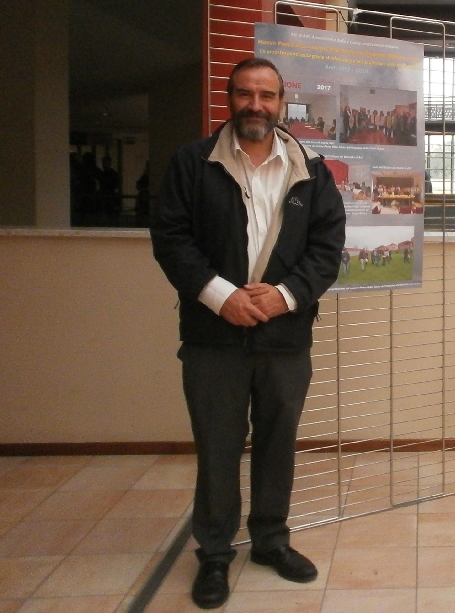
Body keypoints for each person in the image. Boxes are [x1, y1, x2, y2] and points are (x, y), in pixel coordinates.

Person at [151, 57, 346, 610]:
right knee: (217, 447)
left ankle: (269, 541)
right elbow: (171, 240)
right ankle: (214, 553)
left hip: (285, 339)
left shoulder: (311, 168)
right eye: (245, 94)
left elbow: (327, 249)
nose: (255, 105)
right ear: (229, 98)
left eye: (266, 95)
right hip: (214, 339)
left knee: (277, 443)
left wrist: (284, 296)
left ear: (282, 102)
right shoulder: (192, 163)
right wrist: (221, 296)